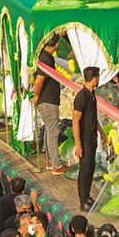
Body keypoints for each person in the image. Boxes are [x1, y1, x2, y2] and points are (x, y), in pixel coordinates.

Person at [34, 37, 66, 173]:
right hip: (48, 101)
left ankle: (50, 160)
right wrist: (36, 96)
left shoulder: (44, 56)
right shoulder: (46, 58)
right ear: (56, 44)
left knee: (49, 130)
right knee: (53, 132)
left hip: (47, 100)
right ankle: (56, 165)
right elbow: (39, 81)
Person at [73, 66, 102, 211]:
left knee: (91, 168)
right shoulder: (82, 97)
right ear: (94, 78)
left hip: (92, 138)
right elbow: (75, 121)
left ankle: (87, 196)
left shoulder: (92, 94)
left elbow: (93, 117)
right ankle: (82, 200)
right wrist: (78, 144)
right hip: (84, 140)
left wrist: (102, 133)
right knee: (84, 169)